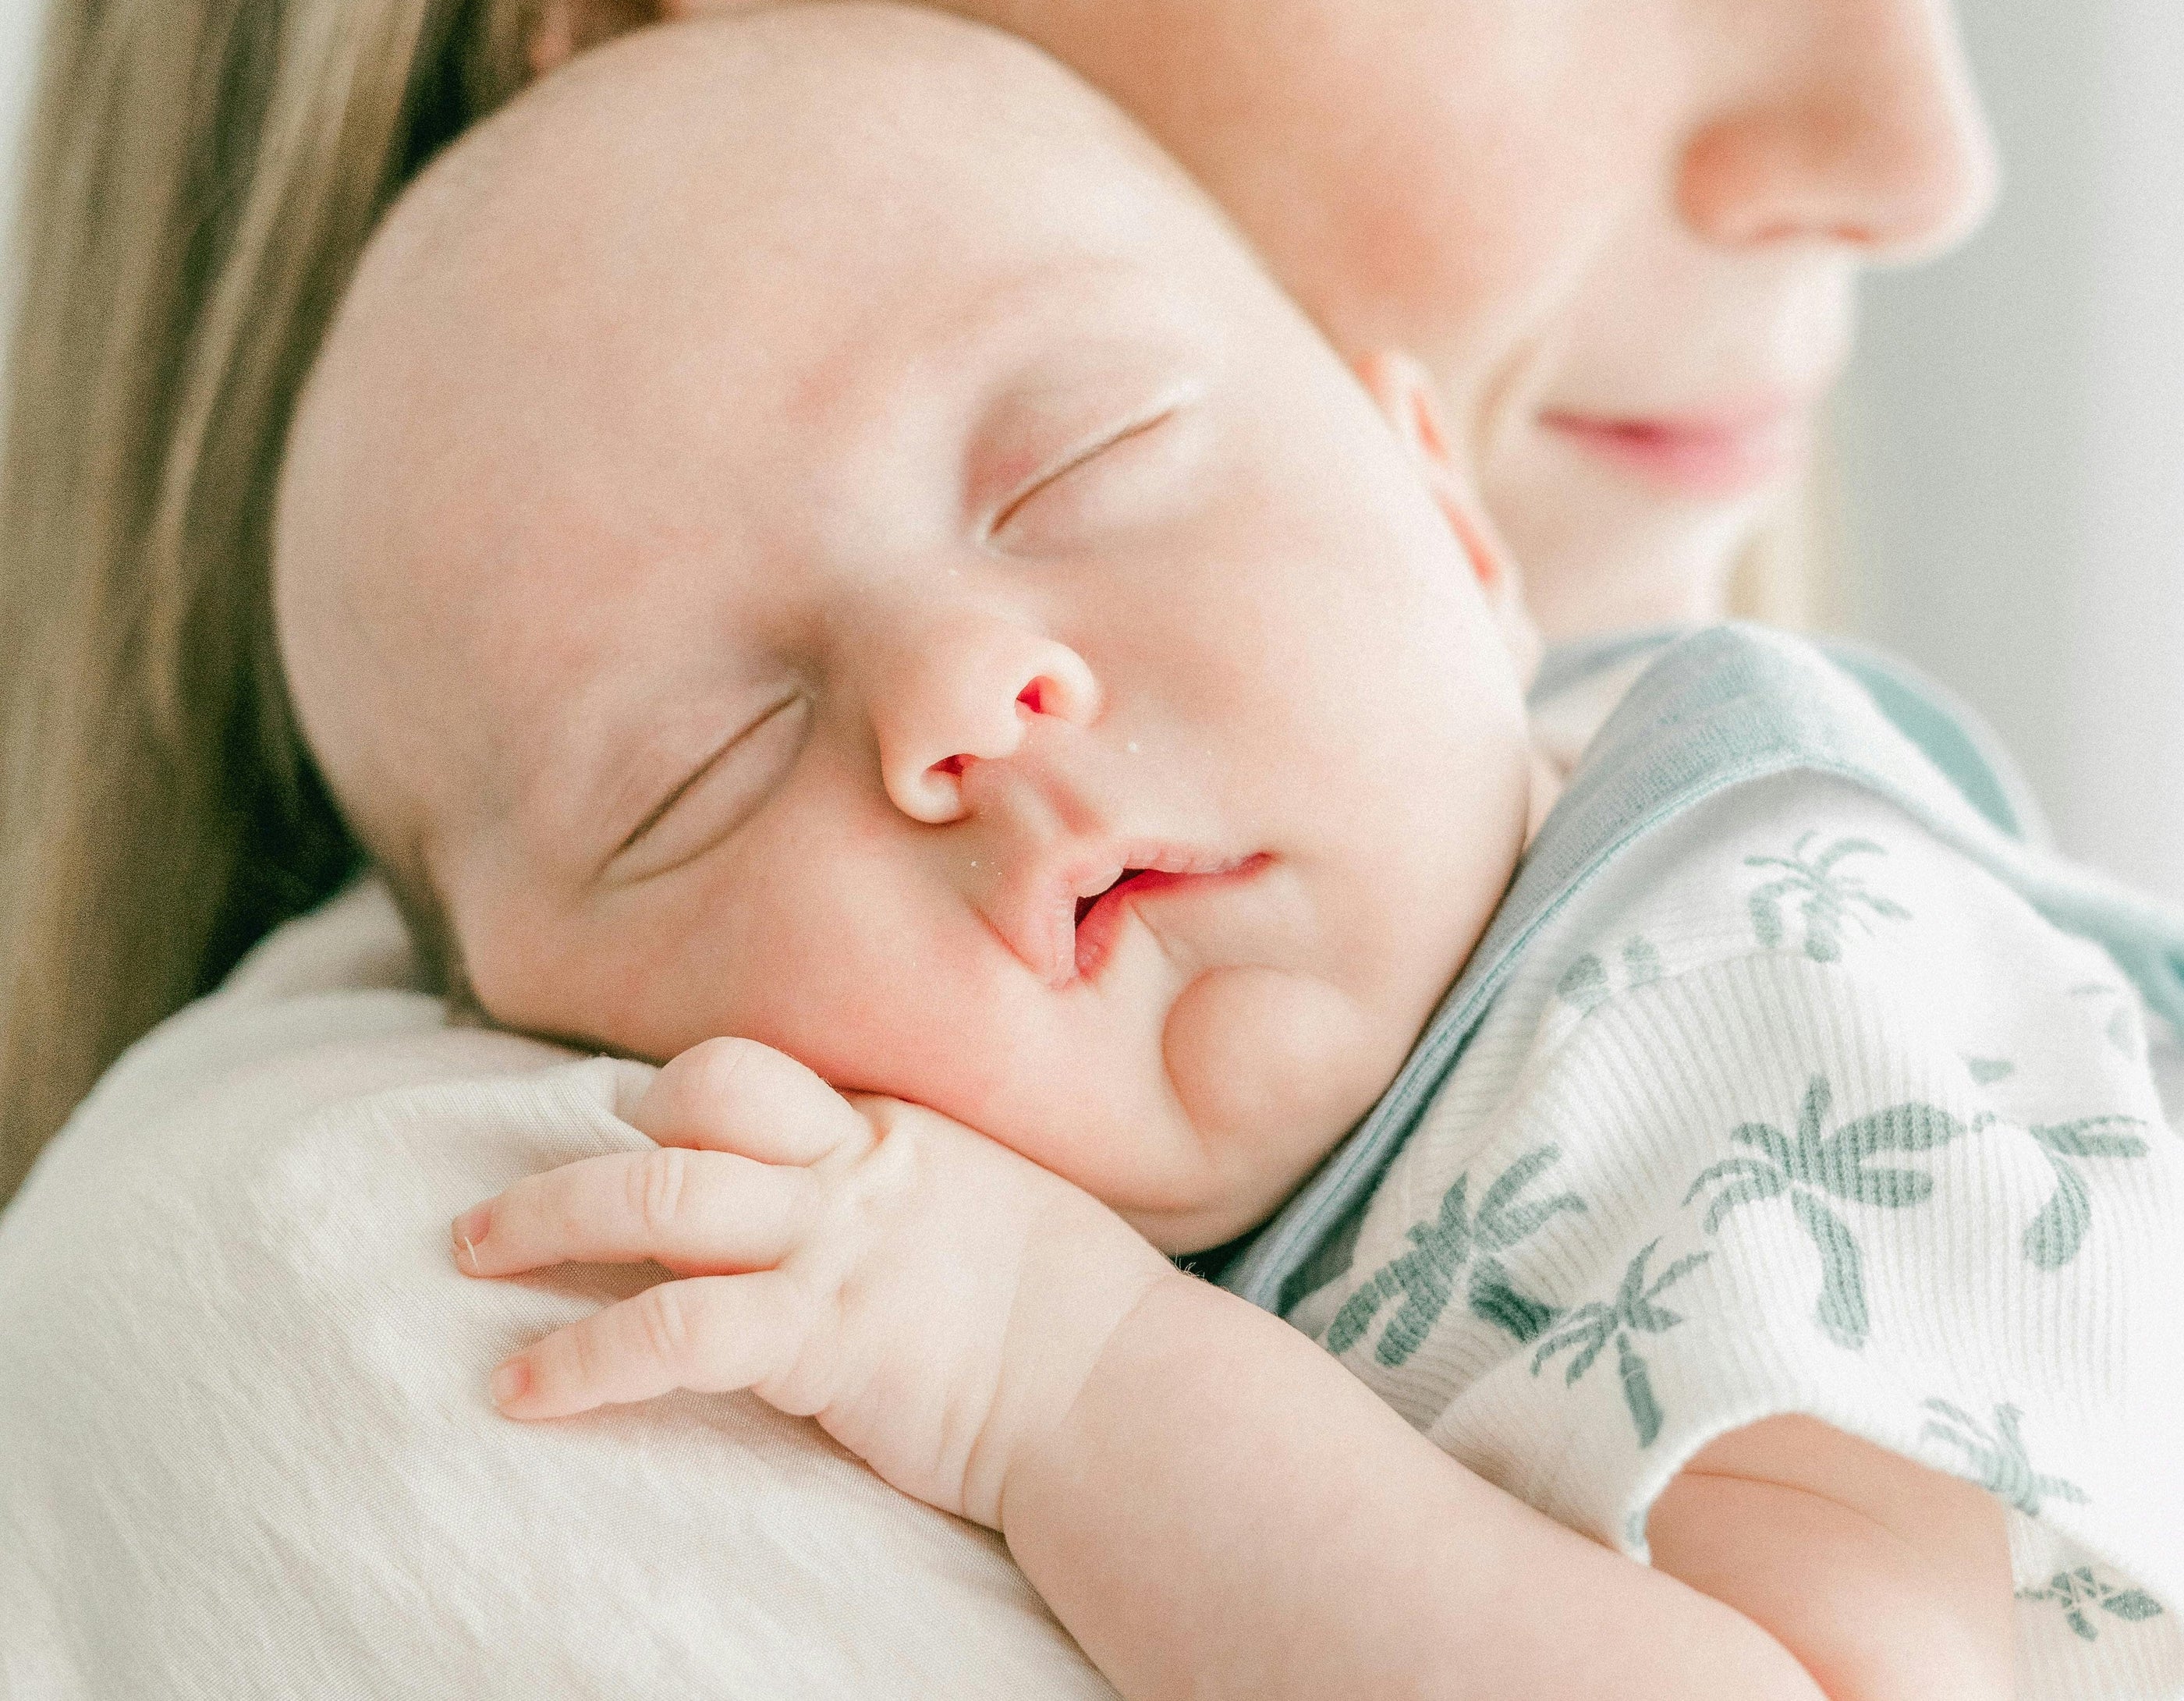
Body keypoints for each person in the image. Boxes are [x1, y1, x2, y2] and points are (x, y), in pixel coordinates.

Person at [0, 0, 2007, 1692]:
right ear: (518, 1015)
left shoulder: (1775, 973)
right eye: (695, 772)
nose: (965, 693)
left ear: (1441, 514)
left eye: (1082, 460)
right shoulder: (359, 1254)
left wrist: (1069, 1384)